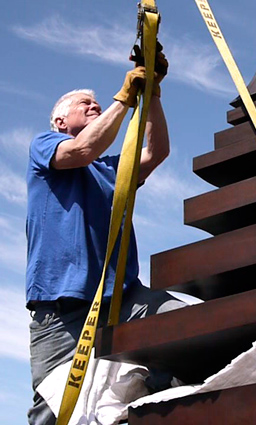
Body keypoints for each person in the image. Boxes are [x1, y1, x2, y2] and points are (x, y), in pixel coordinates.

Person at [26, 52, 185, 425]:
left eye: (98, 102)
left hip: (124, 299)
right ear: (60, 120)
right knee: (54, 412)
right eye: (86, 104)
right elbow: (83, 150)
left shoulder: (112, 169)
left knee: (189, 329)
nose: (95, 105)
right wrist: (124, 98)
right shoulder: (46, 147)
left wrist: (153, 95)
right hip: (62, 312)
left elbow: (156, 152)